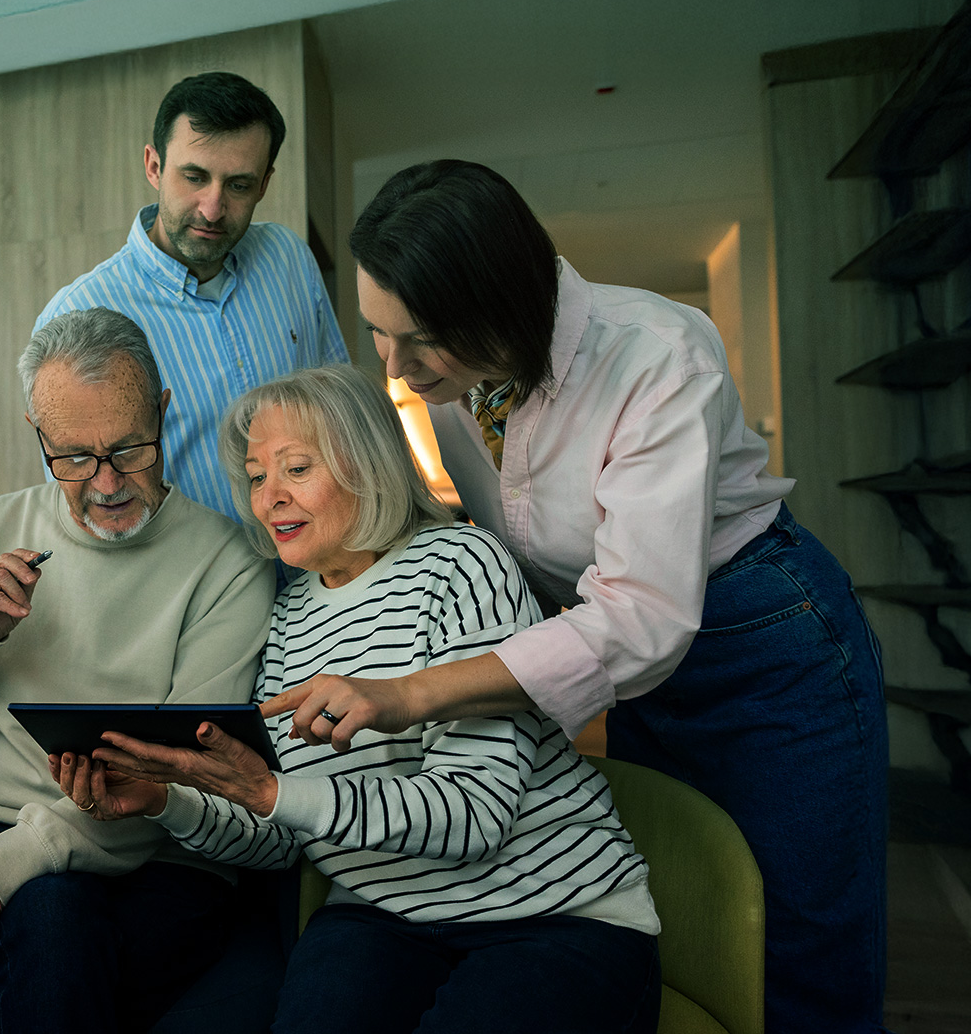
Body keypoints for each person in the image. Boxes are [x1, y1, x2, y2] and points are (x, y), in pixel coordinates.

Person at [276, 160, 888, 1033]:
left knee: (800, 960)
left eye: (418, 342)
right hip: (622, 651)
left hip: (762, 634)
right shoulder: (455, 380)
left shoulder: (658, 354)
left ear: (501, 308)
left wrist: (411, 692)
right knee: (693, 907)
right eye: (379, 333)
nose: (398, 370)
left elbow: (642, 620)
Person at [53, 364, 661, 1034]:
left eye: (296, 468)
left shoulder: (462, 564)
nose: (269, 498)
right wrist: (167, 801)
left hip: (551, 914)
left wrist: (278, 795)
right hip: (380, 916)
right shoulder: (288, 621)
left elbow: (476, 815)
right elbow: (282, 836)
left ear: (366, 466)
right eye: (257, 477)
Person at [0, 306, 275, 1034]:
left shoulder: (228, 561)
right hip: (3, 829)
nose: (106, 483)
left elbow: (181, 775)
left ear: (162, 412)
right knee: (57, 916)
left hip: (167, 854)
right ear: (38, 433)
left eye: (129, 448)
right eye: (73, 457)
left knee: (39, 945)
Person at [36, 70, 347, 525]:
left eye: (239, 185)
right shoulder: (77, 315)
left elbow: (341, 417)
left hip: (319, 578)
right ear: (154, 166)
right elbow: (79, 508)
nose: (212, 208)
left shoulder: (288, 259)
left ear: (264, 184)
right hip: (197, 591)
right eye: (194, 177)